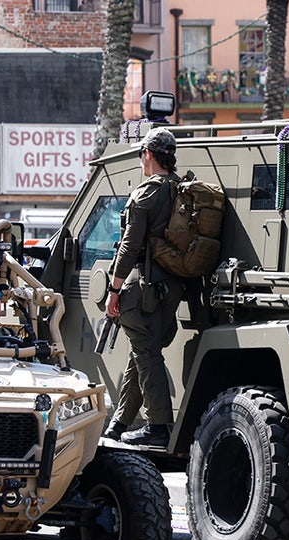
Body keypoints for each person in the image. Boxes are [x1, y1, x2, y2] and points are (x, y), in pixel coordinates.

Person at [102, 127, 184, 448]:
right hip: (171, 286)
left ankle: (158, 426)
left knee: (146, 355)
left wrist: (114, 289)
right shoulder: (180, 187)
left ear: (148, 154)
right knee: (141, 355)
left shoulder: (146, 193)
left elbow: (129, 246)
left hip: (143, 286)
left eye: (141, 153)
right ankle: (119, 424)